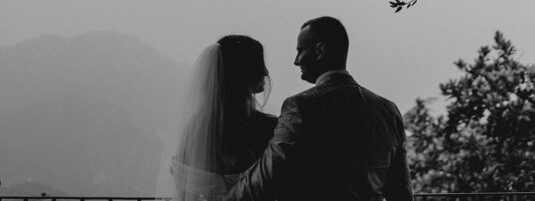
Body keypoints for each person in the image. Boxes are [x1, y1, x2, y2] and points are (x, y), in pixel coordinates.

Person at [223, 16, 413, 201]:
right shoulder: (388, 110)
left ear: (320, 50)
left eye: (300, 51)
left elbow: (268, 176)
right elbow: (401, 192)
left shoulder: (301, 106)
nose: (296, 60)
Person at [173, 35, 277, 201]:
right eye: (259, 64)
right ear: (243, 71)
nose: (265, 72)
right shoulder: (269, 128)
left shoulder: (195, 129)